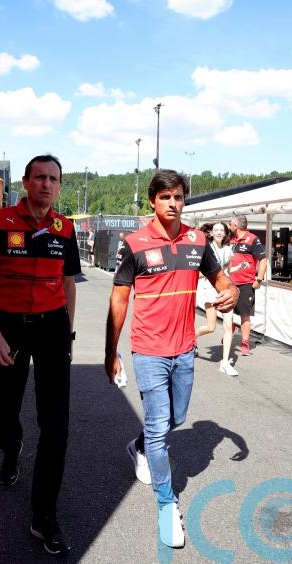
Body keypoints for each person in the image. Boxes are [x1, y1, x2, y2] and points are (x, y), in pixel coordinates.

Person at [104, 170, 237, 549]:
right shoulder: (134, 244)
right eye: (165, 197)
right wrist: (110, 352)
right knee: (161, 426)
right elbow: (118, 301)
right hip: (148, 350)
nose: (173, 203)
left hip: (184, 349)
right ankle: (167, 504)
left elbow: (222, 280)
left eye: (178, 197)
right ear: (152, 201)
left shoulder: (198, 240)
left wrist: (229, 293)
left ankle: (140, 446)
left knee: (177, 419)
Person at [0, 154, 79, 556]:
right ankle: (11, 447)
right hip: (9, 325)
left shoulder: (65, 228)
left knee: (56, 427)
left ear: (59, 186)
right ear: (26, 181)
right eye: (39, 177)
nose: (46, 185)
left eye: (53, 178)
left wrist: (67, 332)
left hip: (52, 327)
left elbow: (69, 284)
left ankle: (44, 516)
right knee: (6, 411)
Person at [194, 221, 237, 376]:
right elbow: (198, 272)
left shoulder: (228, 250)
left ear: (225, 233)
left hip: (224, 290)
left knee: (228, 326)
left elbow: (227, 271)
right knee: (211, 327)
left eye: (221, 230)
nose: (219, 232)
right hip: (209, 290)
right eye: (216, 230)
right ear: (211, 233)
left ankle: (224, 363)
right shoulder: (206, 249)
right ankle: (192, 339)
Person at [228, 214, 267, 357]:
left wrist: (259, 279)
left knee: (244, 314)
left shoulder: (252, 239)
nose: (229, 226)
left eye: (230, 224)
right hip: (230, 283)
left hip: (245, 283)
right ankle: (230, 330)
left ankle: (245, 343)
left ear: (235, 226)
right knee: (227, 312)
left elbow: (263, 260)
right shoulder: (230, 239)